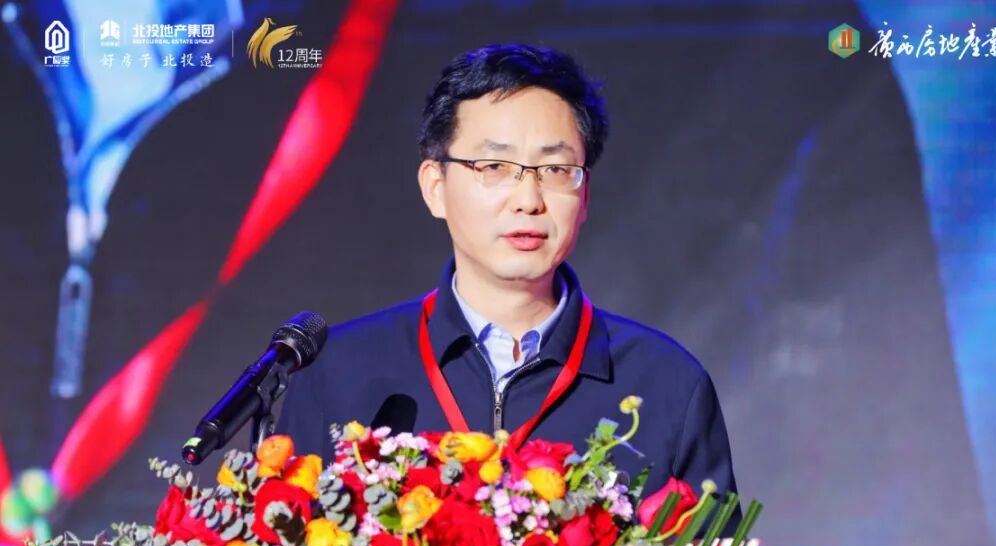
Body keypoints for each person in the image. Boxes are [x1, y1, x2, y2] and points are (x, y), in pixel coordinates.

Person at [277, 43, 738, 516]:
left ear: (584, 197)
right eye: (495, 167)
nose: (528, 199)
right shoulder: (338, 372)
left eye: (556, 169)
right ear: (435, 187)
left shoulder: (667, 384)